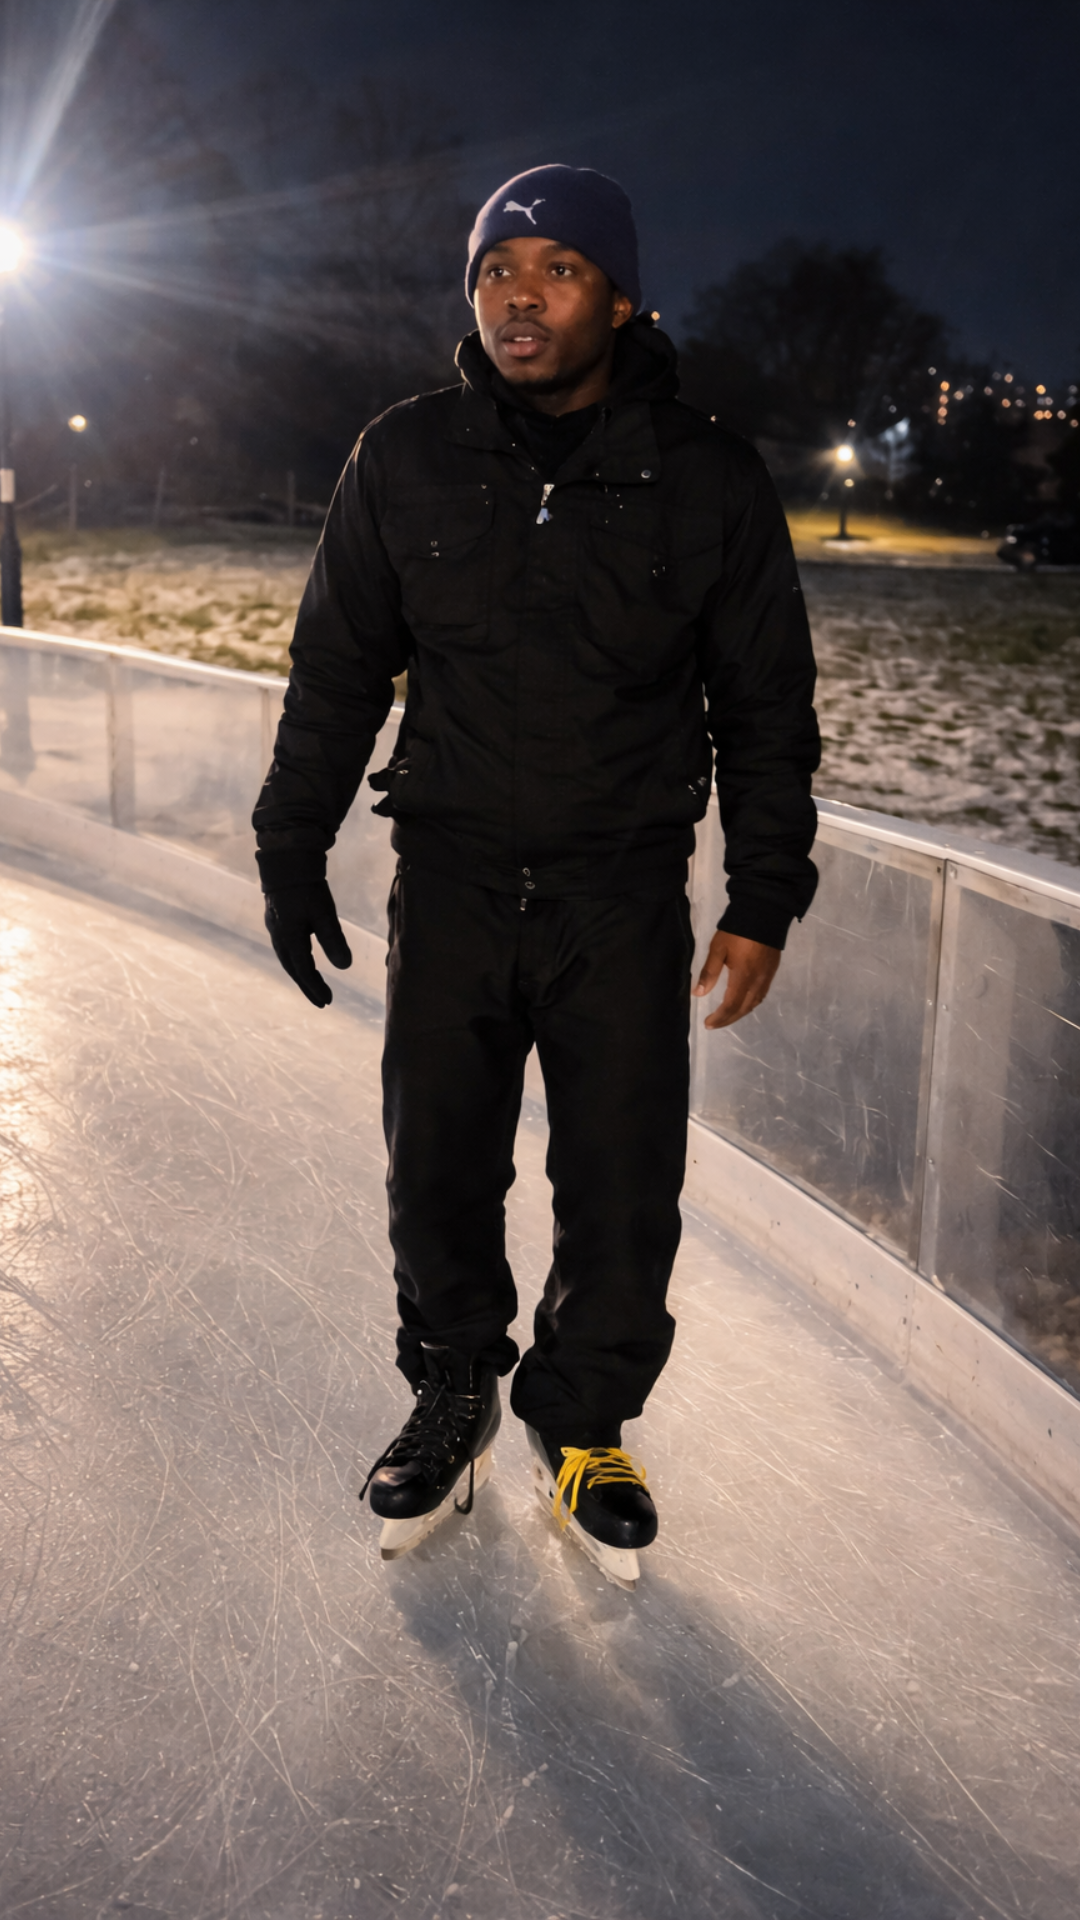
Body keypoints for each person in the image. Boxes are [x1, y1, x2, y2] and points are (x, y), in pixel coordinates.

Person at [252, 164, 819, 1588]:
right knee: (438, 1164)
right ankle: (453, 1389)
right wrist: (288, 841)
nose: (520, 295)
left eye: (559, 269)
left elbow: (764, 705)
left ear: (621, 300)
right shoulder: (405, 455)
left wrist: (764, 893)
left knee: (623, 1182)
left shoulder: (707, 476)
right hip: (449, 878)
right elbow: (336, 671)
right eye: (497, 270)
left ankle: (583, 1418)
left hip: (618, 893)